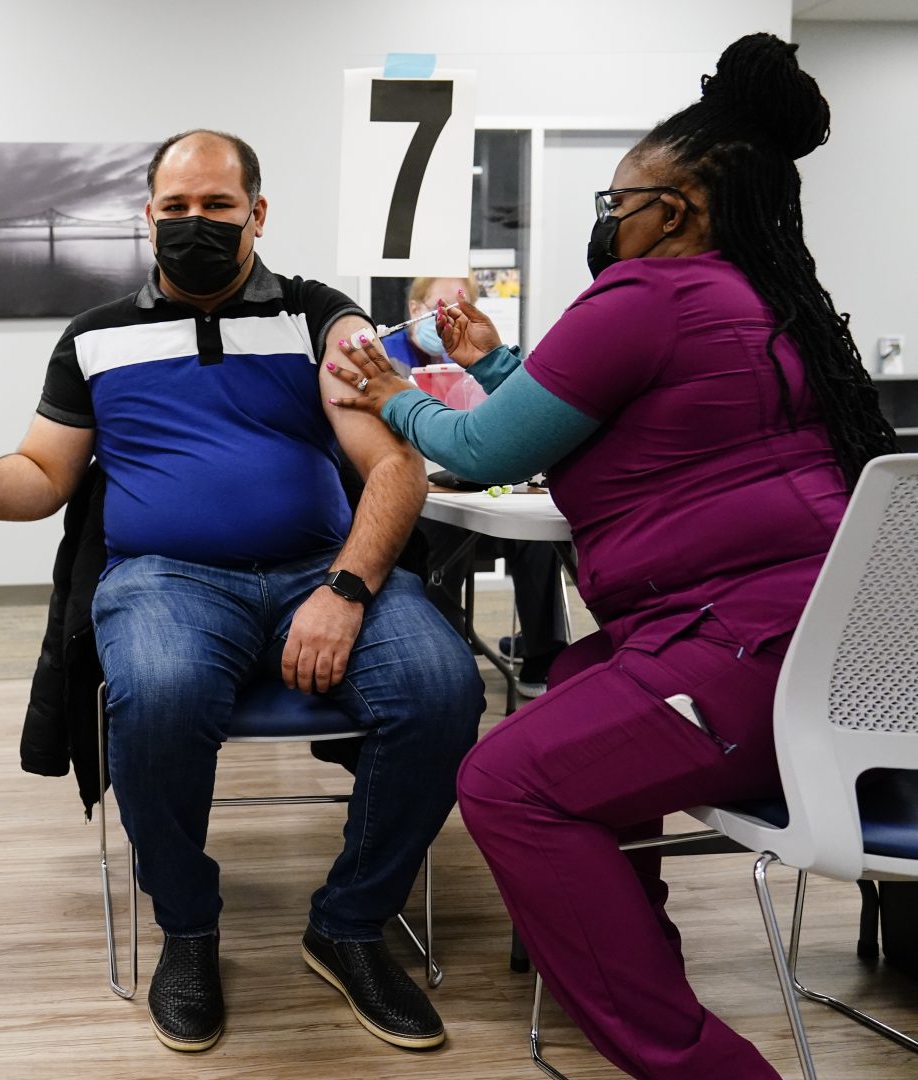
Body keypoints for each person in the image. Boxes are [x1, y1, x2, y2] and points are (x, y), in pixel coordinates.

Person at [326, 34, 897, 1079]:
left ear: (672, 210)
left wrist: (387, 392)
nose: (608, 220)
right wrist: (492, 359)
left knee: (505, 782)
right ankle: (635, 966)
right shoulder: (768, 300)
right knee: (576, 686)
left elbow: (482, 448)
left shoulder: (648, 295)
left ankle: (693, 1061)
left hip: (754, 653)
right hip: (826, 643)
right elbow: (577, 414)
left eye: (614, 202)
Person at [0, 129, 483, 1054]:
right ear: (147, 216)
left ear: (258, 213)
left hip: (321, 569)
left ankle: (351, 924)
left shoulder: (326, 320)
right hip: (166, 578)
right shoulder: (95, 337)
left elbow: (393, 465)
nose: (195, 223)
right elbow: (41, 474)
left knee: (443, 689)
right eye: (177, 208)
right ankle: (188, 929)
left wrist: (347, 589)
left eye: (218, 207)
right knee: (155, 696)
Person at [388, 276, 571, 695]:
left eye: (461, 303)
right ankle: (445, 657)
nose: (446, 315)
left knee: (537, 541)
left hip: (485, 491)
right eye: (435, 307)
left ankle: (541, 654)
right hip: (431, 500)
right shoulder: (389, 362)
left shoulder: (481, 356)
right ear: (414, 308)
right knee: (433, 535)